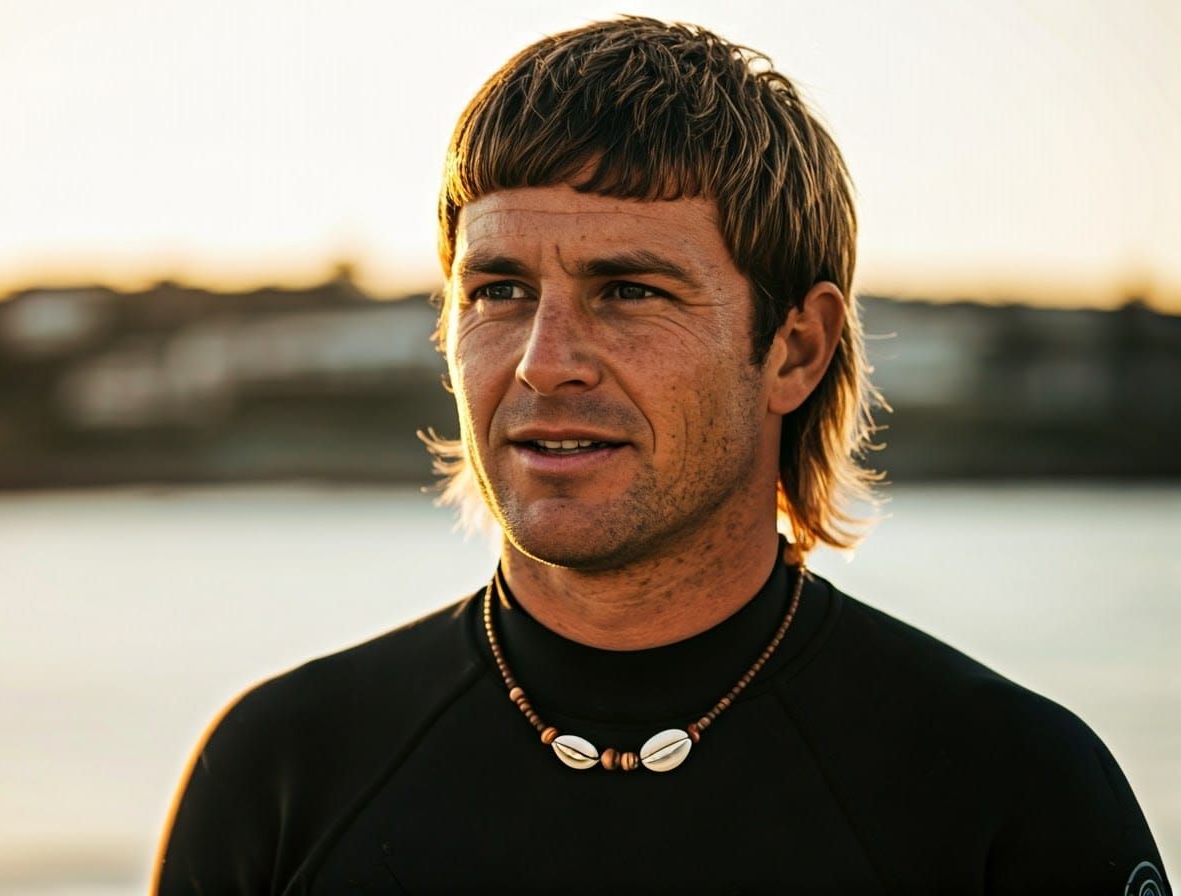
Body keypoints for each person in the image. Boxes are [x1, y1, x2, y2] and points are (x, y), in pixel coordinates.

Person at [154, 17, 1169, 894]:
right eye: (497, 290)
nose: (543, 364)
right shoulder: (283, 774)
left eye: (628, 291)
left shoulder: (1008, 790)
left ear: (794, 348)